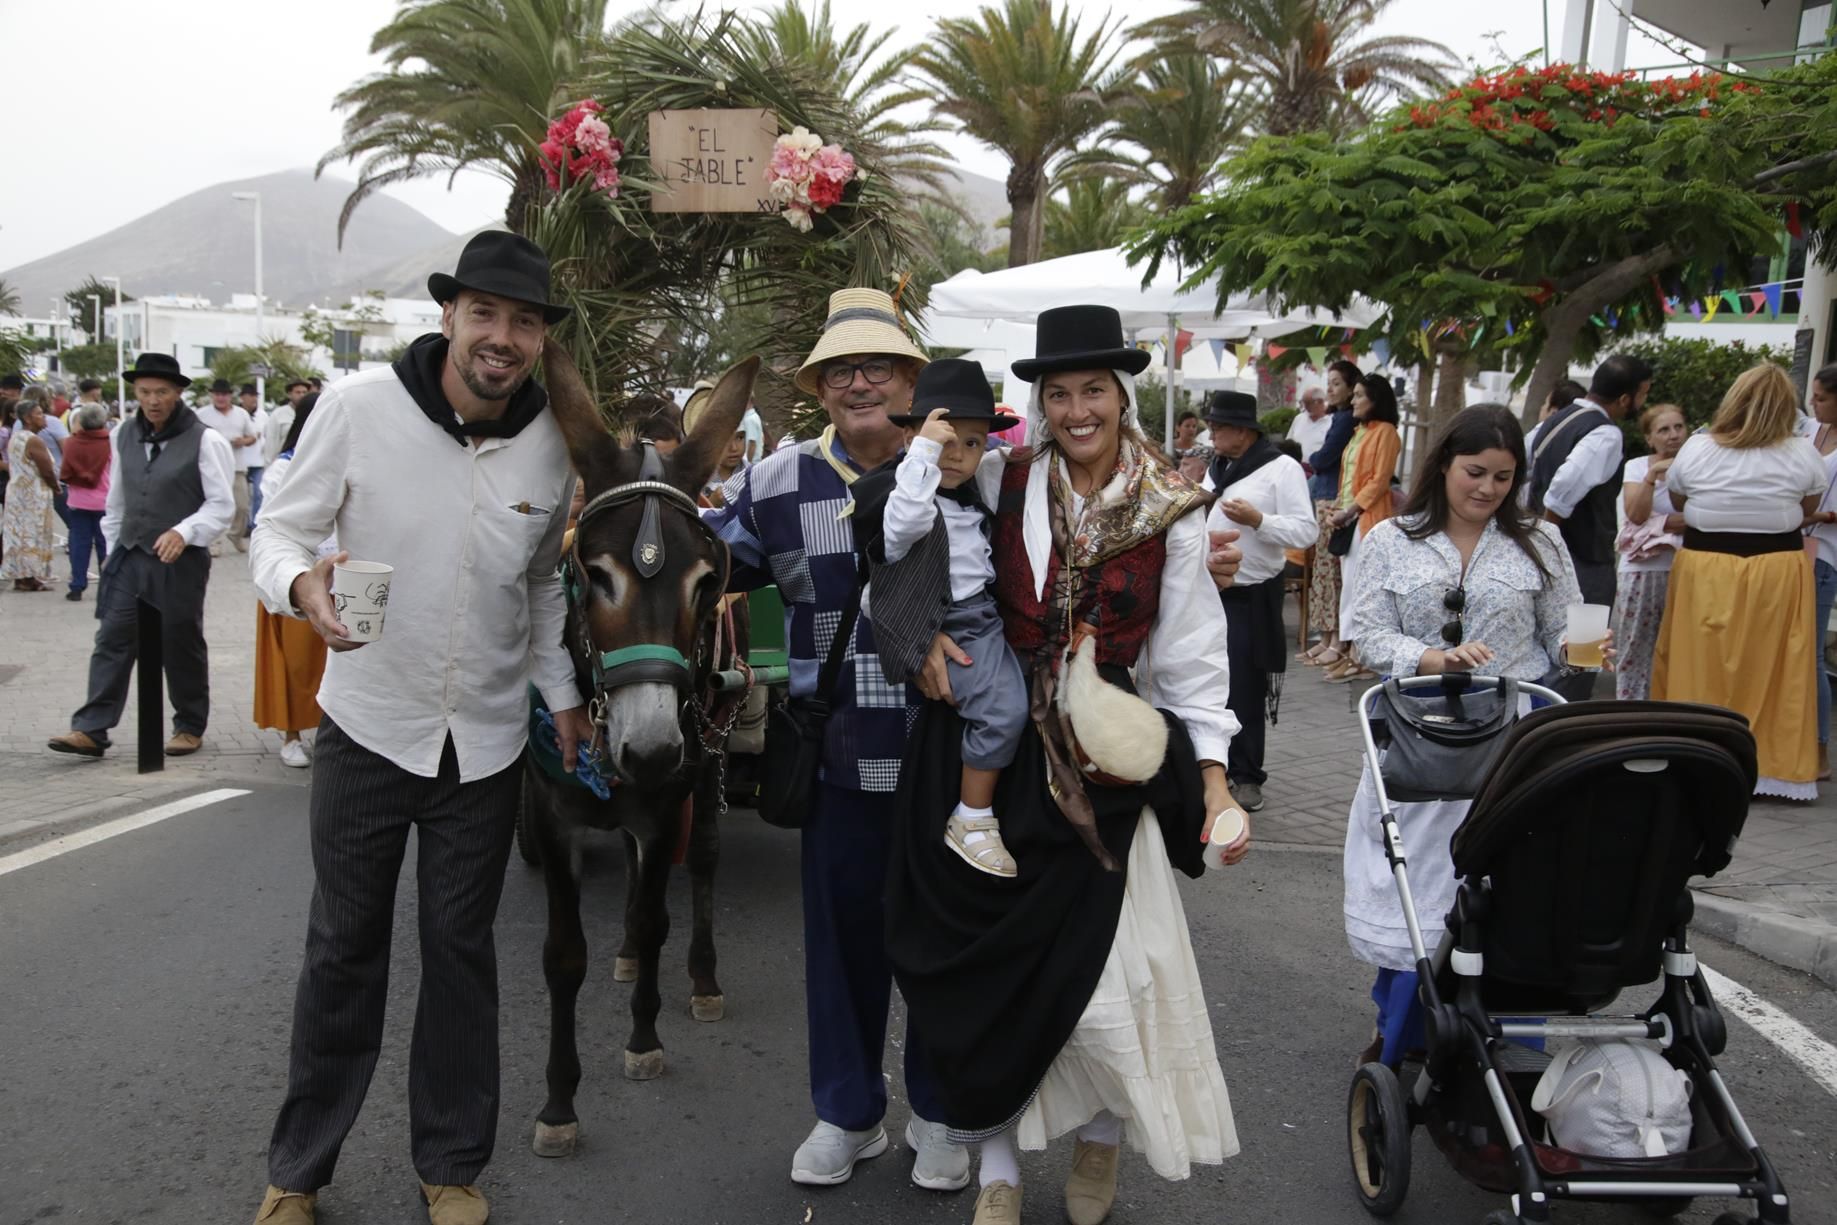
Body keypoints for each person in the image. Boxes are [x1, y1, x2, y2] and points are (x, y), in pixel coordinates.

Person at [248, 232, 590, 1225]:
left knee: (460, 950)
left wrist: (560, 693)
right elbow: (279, 529)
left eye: (522, 321)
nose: (501, 336)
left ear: (538, 339)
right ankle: (299, 1172)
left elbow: (535, 586)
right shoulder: (359, 409)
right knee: (343, 947)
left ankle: (450, 1166)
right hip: (367, 727)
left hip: (481, 745)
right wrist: (300, 581)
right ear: (450, 316)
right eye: (483, 313)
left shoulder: (549, 442)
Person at [886, 305, 1247, 1225]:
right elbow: (908, 531)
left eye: (1093, 390)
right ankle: (999, 1165)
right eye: (1059, 393)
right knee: (991, 973)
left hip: (1110, 756)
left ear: (1122, 396)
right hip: (994, 745)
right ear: (1039, 404)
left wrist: (1212, 778)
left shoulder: (1172, 504)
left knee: (1108, 974)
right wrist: (917, 633)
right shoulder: (1003, 472)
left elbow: (1193, 654)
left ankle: (1101, 1143)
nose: (1077, 408)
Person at [702, 288, 971, 1193]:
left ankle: (939, 1114)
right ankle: (848, 1112)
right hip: (835, 753)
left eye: (881, 366)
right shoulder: (775, 481)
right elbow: (708, 563)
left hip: (950, 751)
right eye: (842, 369)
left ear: (910, 380)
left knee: (939, 939)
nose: (861, 382)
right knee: (841, 941)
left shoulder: (963, 466)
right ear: (818, 387)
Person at [1343, 404, 1581, 1065]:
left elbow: (1557, 633)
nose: (1486, 489)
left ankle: (1506, 1037)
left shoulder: (1541, 541)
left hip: (1515, 737)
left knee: (1509, 882)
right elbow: (1365, 634)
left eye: (1503, 478)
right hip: (1421, 735)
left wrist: (1587, 644)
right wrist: (1430, 659)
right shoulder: (1390, 539)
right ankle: (1403, 1030)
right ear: (1443, 464)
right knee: (1417, 883)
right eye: (1474, 472)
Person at [860, 359, 1028, 876]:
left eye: (973, 443)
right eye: (944, 439)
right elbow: (902, 525)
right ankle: (973, 816)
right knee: (1004, 712)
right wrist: (923, 455)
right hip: (952, 624)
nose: (957, 454)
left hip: (984, 618)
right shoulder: (907, 501)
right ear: (909, 438)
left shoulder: (970, 498)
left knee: (1016, 703)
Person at [1653, 364, 1827, 801]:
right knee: (1771, 666)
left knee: (1698, 661)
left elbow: (1678, 498)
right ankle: (1769, 762)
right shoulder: (1802, 452)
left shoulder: (1696, 449)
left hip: (1706, 566)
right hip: (1775, 568)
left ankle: (1692, 754)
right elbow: (1808, 504)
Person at [47, 355, 234, 758]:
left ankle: (188, 724)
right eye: (145, 392)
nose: (152, 400)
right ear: (135, 393)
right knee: (112, 638)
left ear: (178, 393)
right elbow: (117, 502)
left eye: (162, 392)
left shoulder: (206, 440)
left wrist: (184, 531)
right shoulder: (122, 435)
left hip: (179, 560)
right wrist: (115, 551)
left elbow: (222, 506)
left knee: (177, 640)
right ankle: (91, 729)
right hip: (129, 555)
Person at [1202, 390, 1316, 813]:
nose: (1211, 431)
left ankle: (1247, 775)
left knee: (1244, 689)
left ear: (1243, 431)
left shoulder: (1281, 469)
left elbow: (1306, 532)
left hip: (1249, 597)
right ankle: (1213, 769)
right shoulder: (1217, 468)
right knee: (1210, 686)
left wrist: (1258, 520)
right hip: (1210, 592)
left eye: (1218, 426)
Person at [1525, 354, 1654, 606]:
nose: (1643, 402)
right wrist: (1548, 547)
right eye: (1643, 394)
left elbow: (1522, 465)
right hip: (1581, 562)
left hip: (1542, 553)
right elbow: (1563, 488)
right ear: (1625, 399)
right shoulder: (1606, 435)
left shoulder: (1552, 421)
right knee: (1584, 642)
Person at [253, 394, 329, 769]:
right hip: (298, 579)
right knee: (296, 663)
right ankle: (292, 735)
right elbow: (273, 530)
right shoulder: (282, 469)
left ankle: (332, 733)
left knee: (334, 661)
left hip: (342, 578)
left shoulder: (343, 458)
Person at [1325, 374, 1402, 683]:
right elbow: (1349, 478)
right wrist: (1337, 508)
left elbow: (1379, 481)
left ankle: (1361, 655)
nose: (1353, 400)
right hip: (1350, 517)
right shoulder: (1359, 432)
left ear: (1375, 399)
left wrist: (1348, 510)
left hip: (1367, 519)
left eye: (1359, 395)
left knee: (1361, 588)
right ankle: (1353, 652)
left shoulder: (1386, 432)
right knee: (1350, 587)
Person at [1611, 403, 1688, 700]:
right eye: (1664, 430)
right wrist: (1653, 474)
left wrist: (1661, 524)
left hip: (1686, 567)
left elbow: (1703, 517)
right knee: (1635, 647)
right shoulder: (1637, 467)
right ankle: (1630, 713)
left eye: (1678, 427)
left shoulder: (1697, 465)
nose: (1673, 435)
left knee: (1679, 649)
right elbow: (1636, 516)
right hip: (1642, 571)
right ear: (1649, 438)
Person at [1300, 360, 1362, 666]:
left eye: (1337, 383)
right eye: (1329, 383)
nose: (1330, 389)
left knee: (1330, 573)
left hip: (1332, 498)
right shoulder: (1340, 419)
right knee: (1323, 573)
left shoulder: (1347, 421)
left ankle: (1335, 638)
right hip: (1326, 496)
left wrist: (1313, 457)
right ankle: (1326, 636)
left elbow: (1324, 458)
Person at [1805, 365, 1837, 782]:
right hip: (1793, 549)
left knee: (1812, 657)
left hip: (1824, 553)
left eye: (1822, 397)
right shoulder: (1811, 430)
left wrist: (1817, 515)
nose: (1814, 403)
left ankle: (1820, 749)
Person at [2, 389, 59, 590]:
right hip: (33, 494)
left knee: (19, 534)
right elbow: (46, 470)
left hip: (17, 491)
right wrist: (56, 487)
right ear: (27, 418)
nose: (43, 418)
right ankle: (29, 576)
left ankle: (22, 577)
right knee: (33, 534)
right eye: (38, 414)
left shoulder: (16, 437)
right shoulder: (34, 440)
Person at [196, 378, 260, 553]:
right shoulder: (202, 414)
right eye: (217, 394)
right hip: (211, 467)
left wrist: (243, 441)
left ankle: (235, 535)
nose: (220, 398)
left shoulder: (241, 414)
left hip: (237, 466)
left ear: (230, 396)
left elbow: (253, 436)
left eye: (224, 394)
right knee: (212, 505)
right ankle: (213, 542)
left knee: (242, 505)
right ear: (211, 395)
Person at [61, 401, 114, 601]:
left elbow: (65, 470)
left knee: (78, 544)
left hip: (78, 500)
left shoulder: (71, 443)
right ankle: (107, 586)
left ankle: (77, 585)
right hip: (104, 501)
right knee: (104, 545)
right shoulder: (110, 442)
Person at [1287, 386, 1333, 458]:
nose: (1306, 406)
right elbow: (1288, 443)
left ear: (1320, 401)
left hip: (1318, 467)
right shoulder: (1299, 419)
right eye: (1304, 402)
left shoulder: (1332, 421)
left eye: (1309, 403)